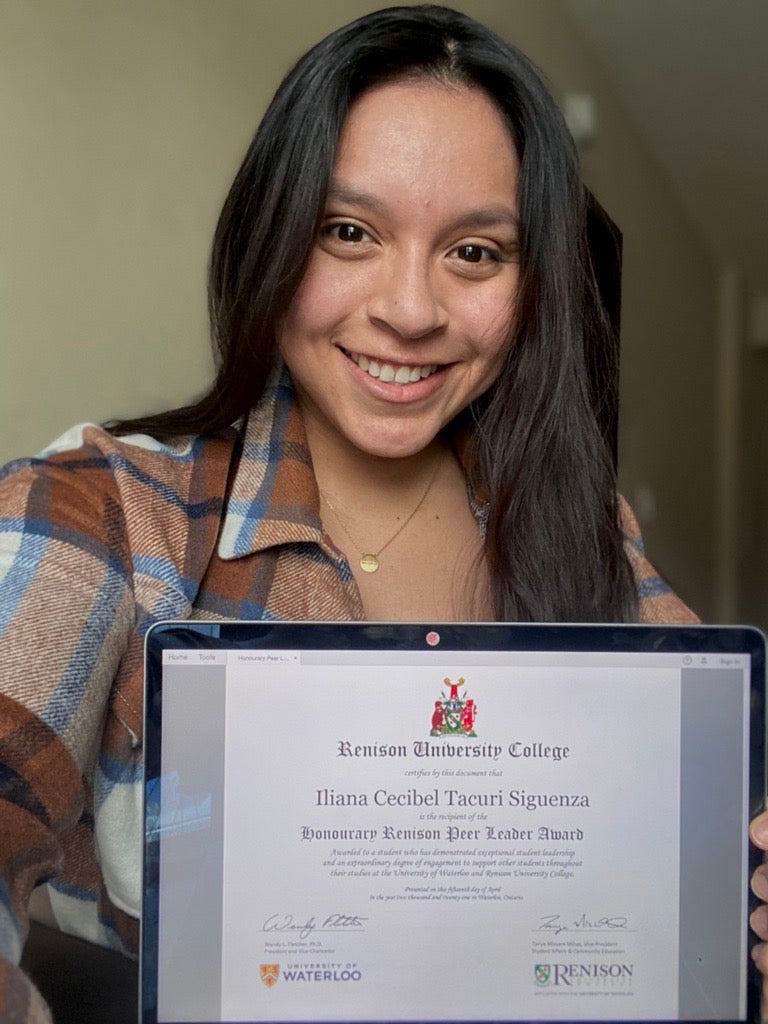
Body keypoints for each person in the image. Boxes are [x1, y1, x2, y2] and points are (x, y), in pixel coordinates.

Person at [0, 5, 765, 1020]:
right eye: (348, 232)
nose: (411, 309)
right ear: (272, 236)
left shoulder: (586, 526)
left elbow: (709, 818)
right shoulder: (97, 513)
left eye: (477, 253)